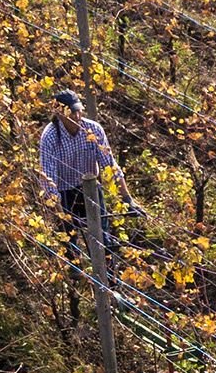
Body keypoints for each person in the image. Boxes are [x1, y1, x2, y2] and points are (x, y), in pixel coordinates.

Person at [38, 88, 144, 256]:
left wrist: (127, 199)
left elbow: (110, 165)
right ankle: (75, 271)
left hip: (91, 189)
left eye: (79, 111)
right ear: (59, 114)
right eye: (72, 113)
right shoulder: (50, 137)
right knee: (69, 241)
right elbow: (48, 178)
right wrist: (59, 213)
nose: (78, 117)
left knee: (103, 237)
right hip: (63, 193)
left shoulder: (93, 130)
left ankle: (109, 275)